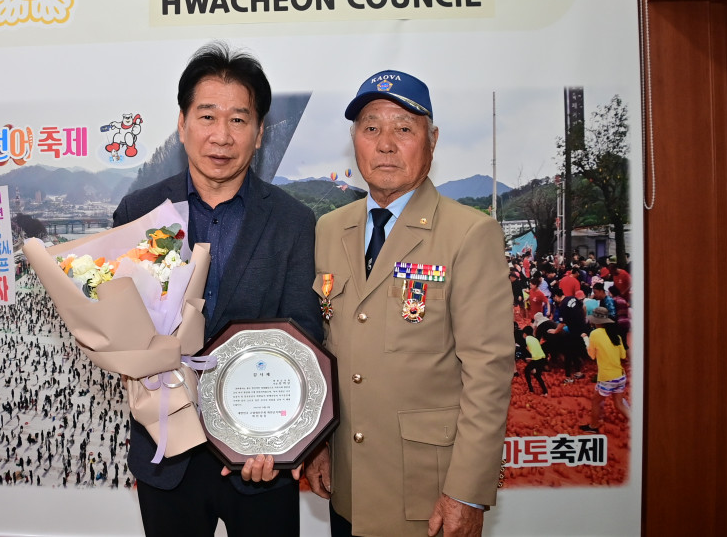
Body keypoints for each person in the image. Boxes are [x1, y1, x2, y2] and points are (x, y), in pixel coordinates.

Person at [111, 42, 322, 537]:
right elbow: (120, 326)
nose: (221, 136)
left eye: (238, 120)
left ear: (260, 132)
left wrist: (280, 434)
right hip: (168, 457)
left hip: (261, 460)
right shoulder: (139, 213)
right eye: (207, 116)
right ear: (182, 124)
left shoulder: (293, 221)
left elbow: (305, 334)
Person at [305, 70, 514, 536]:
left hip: (428, 494)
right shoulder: (329, 229)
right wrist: (317, 445)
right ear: (354, 140)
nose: (385, 144)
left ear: (432, 140)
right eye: (370, 127)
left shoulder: (469, 233)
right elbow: (325, 347)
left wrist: (466, 492)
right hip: (348, 486)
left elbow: (489, 371)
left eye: (403, 128)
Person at [579, 307, 631, 433]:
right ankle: (637, 422)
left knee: (595, 402)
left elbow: (592, 356)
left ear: (596, 321)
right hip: (620, 376)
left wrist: (585, 339)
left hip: (607, 377)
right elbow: (623, 355)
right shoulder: (616, 335)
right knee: (619, 404)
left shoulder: (595, 334)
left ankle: (593, 426)